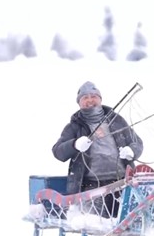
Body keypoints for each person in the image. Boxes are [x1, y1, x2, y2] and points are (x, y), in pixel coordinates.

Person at [52, 81, 144, 218]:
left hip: (122, 183)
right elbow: (58, 151)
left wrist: (131, 151)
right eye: (85, 97)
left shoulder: (117, 121)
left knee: (127, 222)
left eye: (93, 96)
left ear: (100, 99)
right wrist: (75, 144)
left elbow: (137, 142)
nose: (90, 100)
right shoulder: (74, 127)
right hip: (91, 187)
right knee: (97, 225)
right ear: (79, 103)